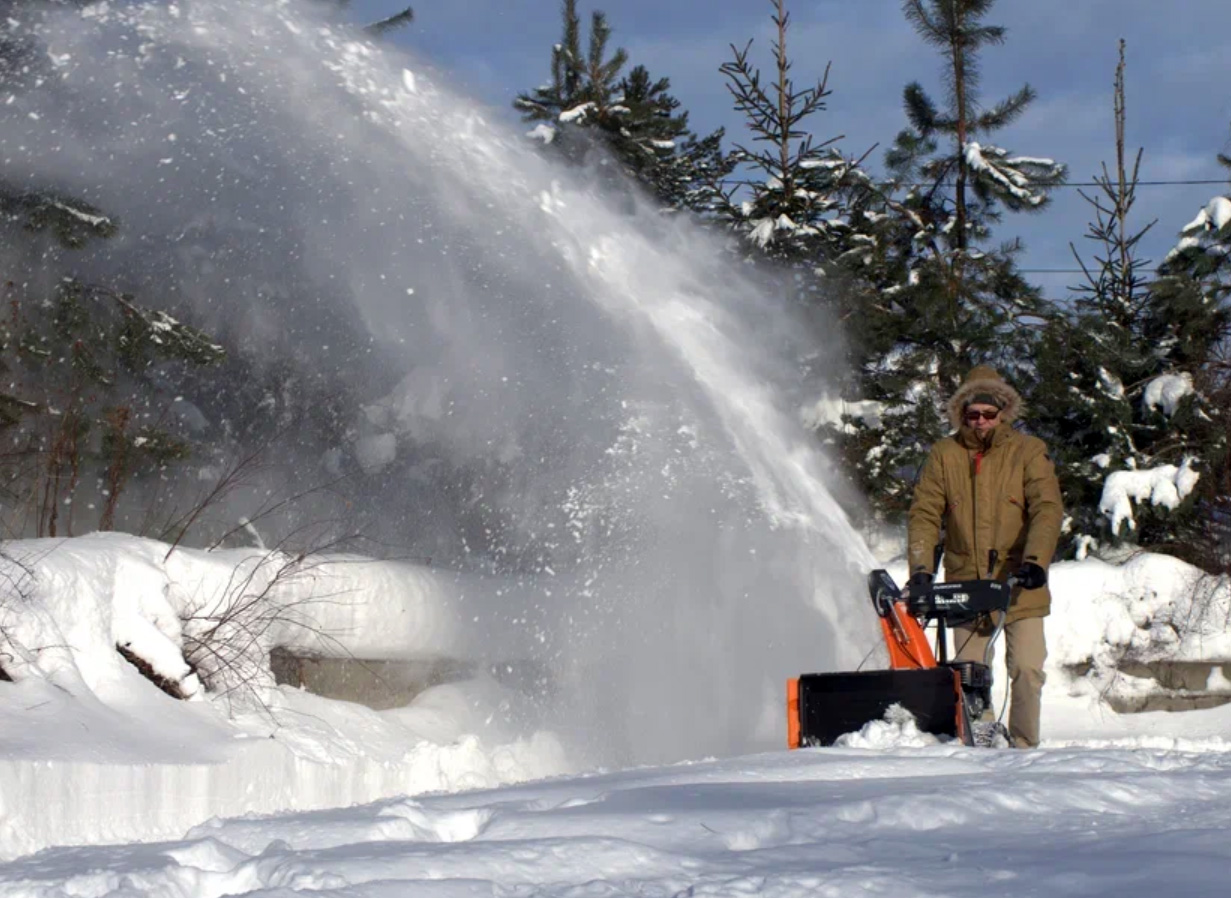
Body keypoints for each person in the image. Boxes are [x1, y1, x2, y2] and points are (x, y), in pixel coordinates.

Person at [907, 365, 1063, 748]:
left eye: (989, 415)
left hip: (1019, 584)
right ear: (962, 413)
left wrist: (1035, 562)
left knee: (1026, 669)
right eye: (973, 414)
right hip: (968, 586)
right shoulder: (945, 454)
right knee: (970, 672)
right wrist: (922, 570)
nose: (980, 422)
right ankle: (983, 745)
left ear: (1002, 413)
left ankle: (1025, 747)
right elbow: (925, 513)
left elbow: (1047, 508)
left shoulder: (1028, 451)